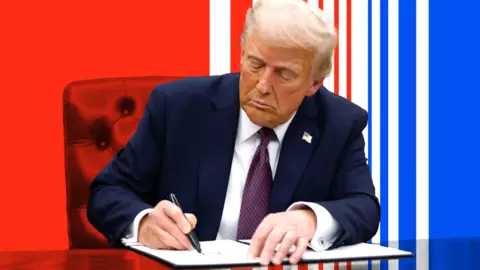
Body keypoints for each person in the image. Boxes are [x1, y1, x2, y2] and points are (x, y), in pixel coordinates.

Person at [87, 0, 380, 266]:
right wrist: (145, 221)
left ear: (314, 83)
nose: (263, 85)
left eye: (284, 74)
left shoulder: (339, 122)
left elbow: (364, 207)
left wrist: (310, 219)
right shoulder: (177, 107)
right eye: (255, 64)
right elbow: (108, 192)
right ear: (242, 53)